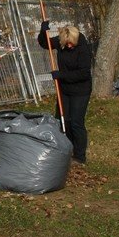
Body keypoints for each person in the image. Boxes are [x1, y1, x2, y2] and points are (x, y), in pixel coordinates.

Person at [37, 21, 92, 164]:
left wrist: (61, 75)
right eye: (66, 43)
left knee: (76, 123)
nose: (69, 46)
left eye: (71, 43)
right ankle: (67, 150)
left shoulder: (83, 48)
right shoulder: (62, 40)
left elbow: (83, 73)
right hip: (65, 90)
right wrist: (43, 32)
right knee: (63, 121)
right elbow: (45, 44)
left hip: (80, 90)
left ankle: (80, 156)